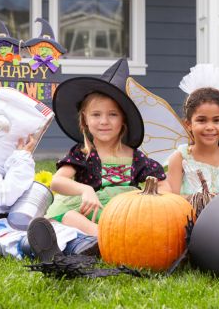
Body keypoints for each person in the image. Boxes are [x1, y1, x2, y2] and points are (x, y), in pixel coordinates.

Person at [0, 87, 97, 260]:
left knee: (52, 228)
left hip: (11, 223)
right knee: (14, 239)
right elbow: (7, 194)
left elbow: (21, 196)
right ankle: (34, 247)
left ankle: (81, 244)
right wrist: (22, 159)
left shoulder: (3, 169)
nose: (25, 149)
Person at [46, 58, 169, 236]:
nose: (104, 121)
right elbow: (57, 182)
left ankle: (100, 238)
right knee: (70, 217)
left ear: (123, 120)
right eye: (96, 115)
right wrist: (85, 190)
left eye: (113, 114)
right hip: (90, 213)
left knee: (139, 224)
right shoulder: (83, 153)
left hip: (123, 215)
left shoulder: (135, 158)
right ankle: (100, 237)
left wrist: (147, 200)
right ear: (85, 120)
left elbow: (164, 185)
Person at [167, 64, 219, 197]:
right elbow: (173, 200)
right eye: (201, 120)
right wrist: (203, 200)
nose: (210, 127)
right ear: (188, 124)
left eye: (217, 120)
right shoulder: (180, 158)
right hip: (190, 216)